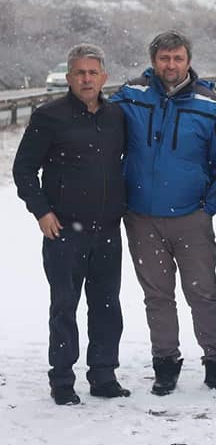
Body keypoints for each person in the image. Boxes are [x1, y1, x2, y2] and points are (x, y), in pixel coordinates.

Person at [111, 31, 216, 396]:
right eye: (164, 58)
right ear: (153, 61)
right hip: (142, 217)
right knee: (158, 296)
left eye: (178, 58)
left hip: (190, 217)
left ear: (188, 60)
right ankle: (165, 363)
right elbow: (99, 131)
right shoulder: (130, 95)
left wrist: (209, 204)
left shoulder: (208, 103)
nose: (171, 65)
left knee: (203, 293)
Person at [13, 44, 129, 405]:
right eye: (80, 73)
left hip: (107, 228)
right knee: (64, 305)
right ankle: (62, 379)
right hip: (64, 229)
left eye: (93, 72)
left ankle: (104, 374)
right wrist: (42, 212)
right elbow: (24, 169)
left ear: (104, 77)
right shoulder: (49, 116)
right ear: (68, 77)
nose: (86, 79)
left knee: (107, 305)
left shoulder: (116, 116)